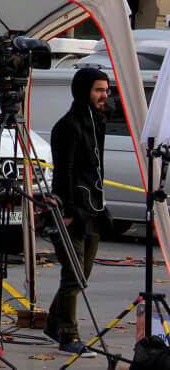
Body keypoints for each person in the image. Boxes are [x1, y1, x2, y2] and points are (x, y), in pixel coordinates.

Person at [45, 67, 112, 357]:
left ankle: (53, 321)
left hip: (93, 207)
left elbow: (96, 166)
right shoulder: (68, 126)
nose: (104, 95)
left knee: (82, 273)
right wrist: (67, 209)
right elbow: (65, 171)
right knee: (73, 274)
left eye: (106, 90)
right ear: (84, 90)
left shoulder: (98, 121)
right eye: (98, 90)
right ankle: (68, 333)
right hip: (74, 209)